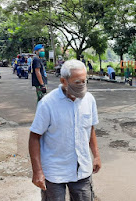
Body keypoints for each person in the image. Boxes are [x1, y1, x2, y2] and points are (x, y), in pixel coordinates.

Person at [29, 59, 101, 201]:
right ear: (63, 81)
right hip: (54, 171)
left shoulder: (89, 100)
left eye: (84, 81)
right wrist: (37, 171)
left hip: (81, 170)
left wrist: (96, 155)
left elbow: (90, 128)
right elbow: (34, 137)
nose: (82, 86)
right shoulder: (47, 103)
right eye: (77, 82)